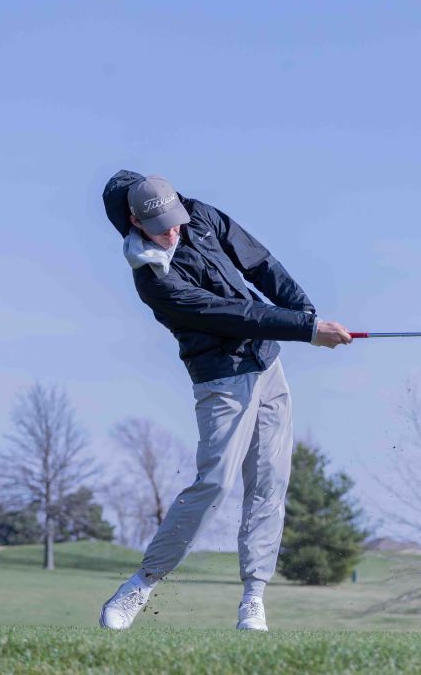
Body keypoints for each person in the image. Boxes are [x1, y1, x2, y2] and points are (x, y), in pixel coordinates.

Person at [98, 170, 353, 631]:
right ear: (136, 222)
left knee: (270, 481)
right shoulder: (153, 279)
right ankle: (141, 582)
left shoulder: (198, 215)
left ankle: (254, 598)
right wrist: (306, 330)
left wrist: (306, 313)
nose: (173, 232)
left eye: (175, 220)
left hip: (268, 366)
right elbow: (232, 315)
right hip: (222, 382)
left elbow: (259, 263)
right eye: (161, 228)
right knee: (215, 483)